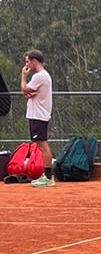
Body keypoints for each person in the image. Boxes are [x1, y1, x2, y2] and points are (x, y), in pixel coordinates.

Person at [20, 50, 55, 188]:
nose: (26, 65)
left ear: (34, 61)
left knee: (42, 145)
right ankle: (46, 176)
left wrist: (23, 76)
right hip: (38, 114)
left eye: (28, 62)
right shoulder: (43, 76)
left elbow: (24, 89)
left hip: (38, 115)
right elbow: (30, 92)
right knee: (41, 145)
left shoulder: (40, 76)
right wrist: (30, 94)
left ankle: (48, 177)